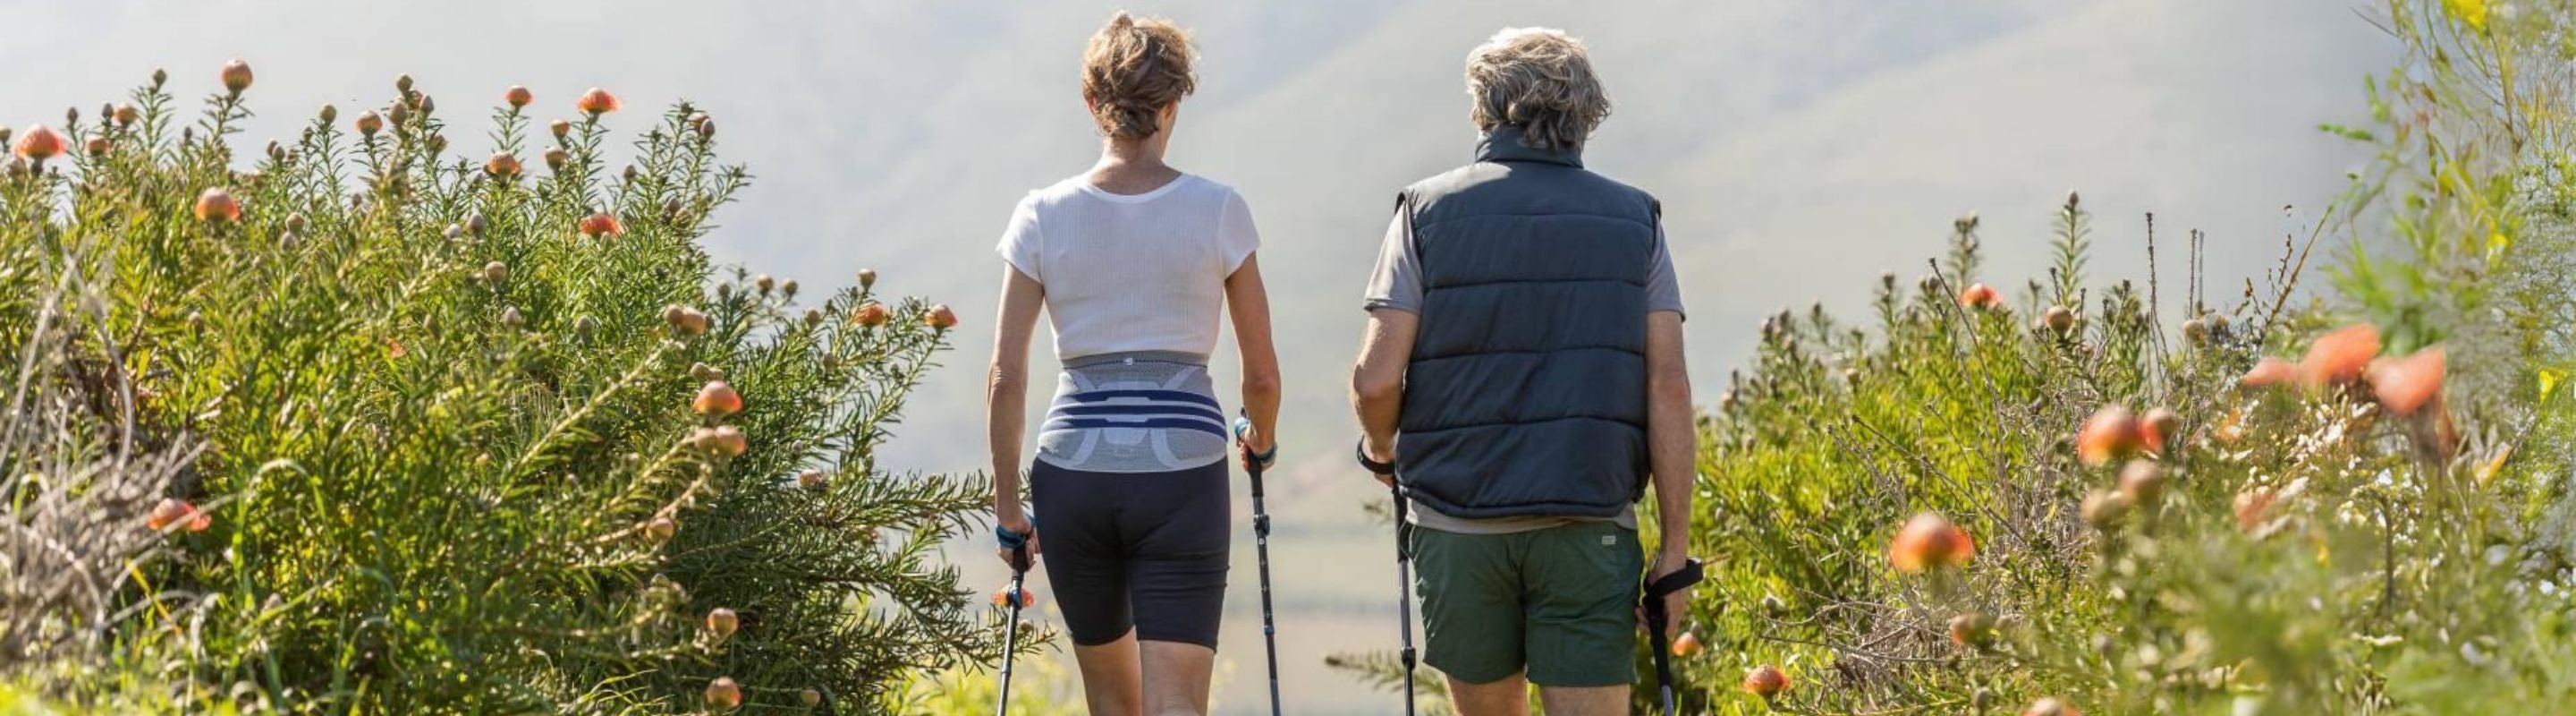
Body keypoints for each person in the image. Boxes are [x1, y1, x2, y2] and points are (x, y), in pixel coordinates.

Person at [1347, 27, 1698, 716]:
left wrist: (1383, 452)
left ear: (1482, 108)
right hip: (1589, 524)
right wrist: (1675, 553)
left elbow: (1374, 380)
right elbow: (1669, 387)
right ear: (1586, 113)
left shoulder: (1424, 212)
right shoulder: (1637, 221)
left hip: (1457, 526)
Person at [984, 11, 1280, 716]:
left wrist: (1007, 510)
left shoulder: (1041, 215)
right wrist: (1259, 441)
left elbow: (1006, 375)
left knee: (1112, 703)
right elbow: (1261, 375)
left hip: (1073, 473)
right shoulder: (1218, 211)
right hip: (1183, 469)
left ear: (1092, 103)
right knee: (1179, 703)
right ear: (1174, 103)